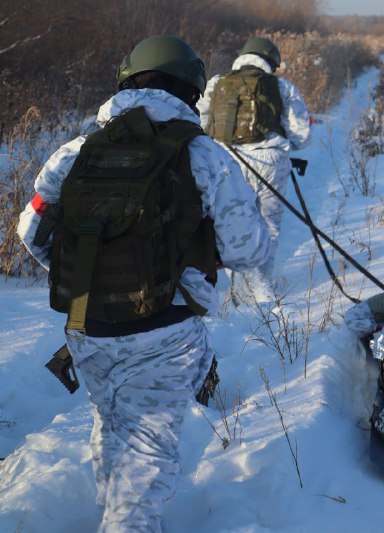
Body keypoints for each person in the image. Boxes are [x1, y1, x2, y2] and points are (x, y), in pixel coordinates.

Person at [16, 35, 272, 532]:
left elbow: (32, 232)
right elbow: (249, 250)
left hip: (85, 328)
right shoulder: (204, 154)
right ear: (190, 90)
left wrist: (86, 275)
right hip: (164, 332)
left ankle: (110, 515)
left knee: (111, 426)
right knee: (146, 454)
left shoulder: (76, 150)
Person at [198, 37, 311, 288]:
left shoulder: (216, 83)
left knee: (230, 223)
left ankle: (235, 286)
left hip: (225, 161)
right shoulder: (282, 87)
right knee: (269, 224)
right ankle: (261, 285)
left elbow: (199, 121)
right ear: (271, 60)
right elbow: (301, 135)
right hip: (270, 162)